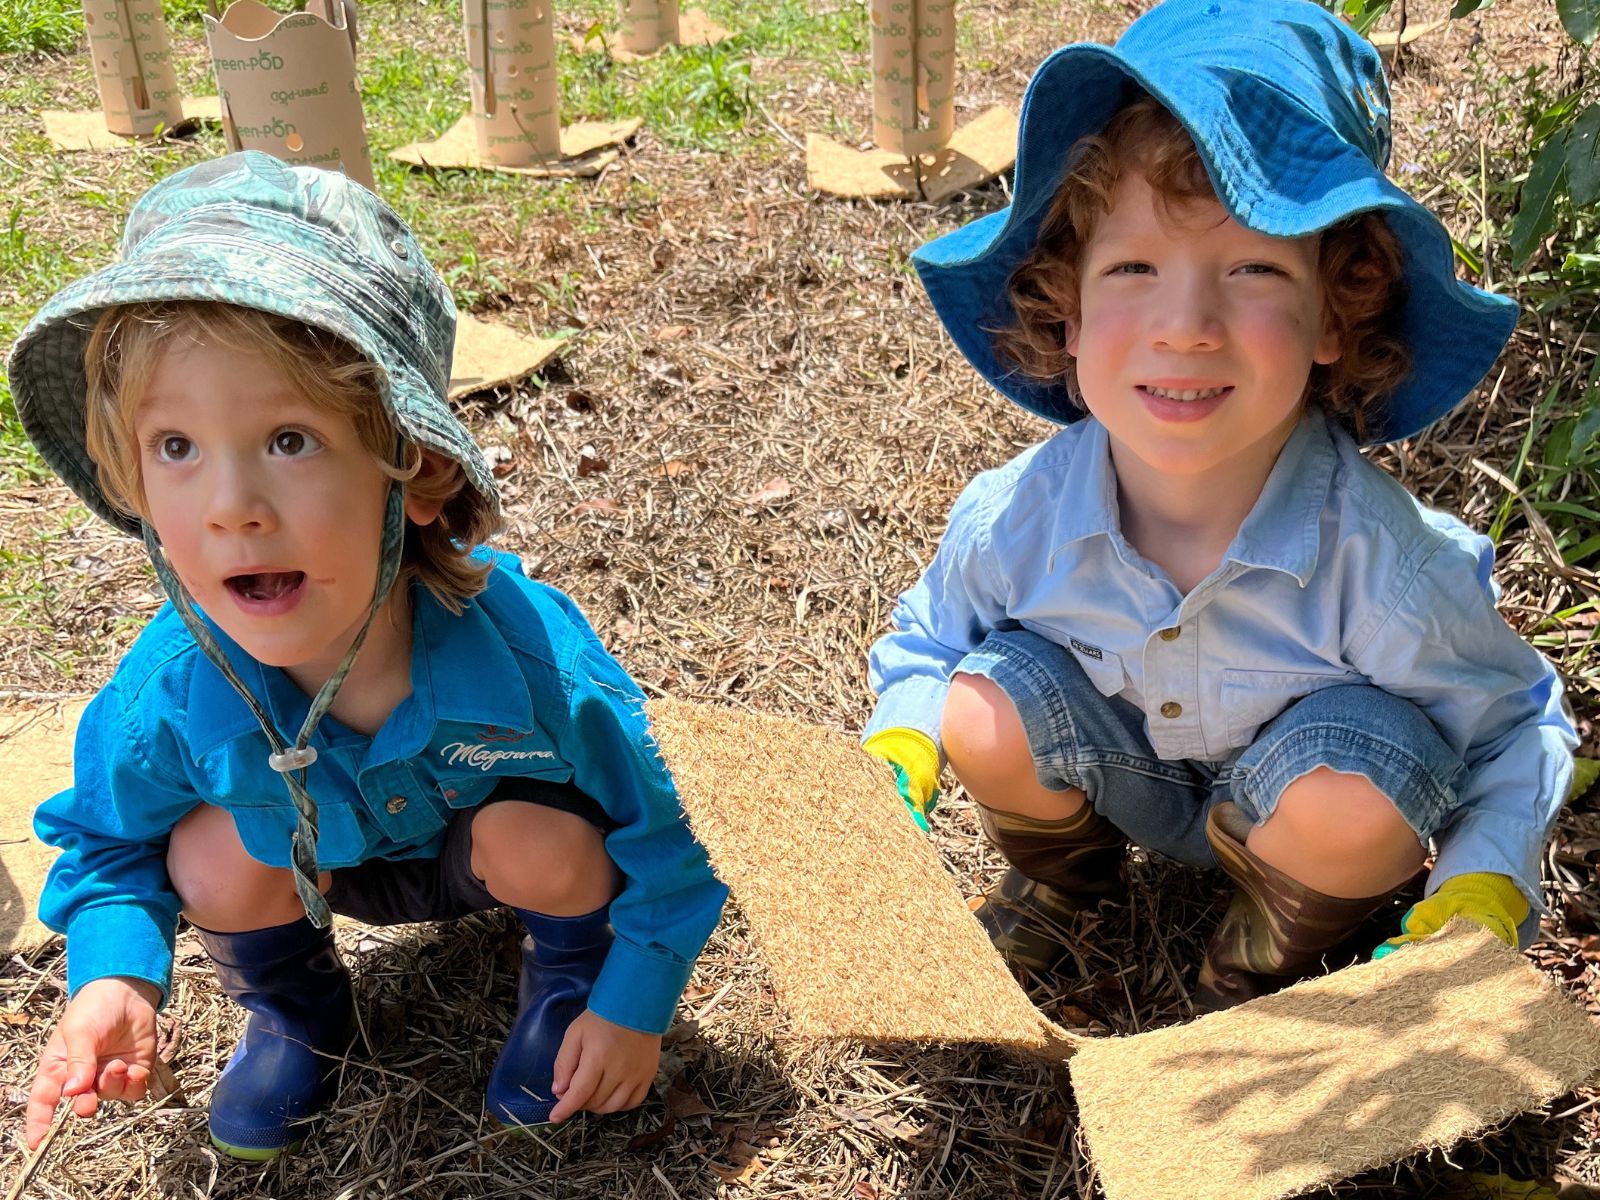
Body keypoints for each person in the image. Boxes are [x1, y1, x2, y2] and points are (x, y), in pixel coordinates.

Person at [10, 151, 727, 1160]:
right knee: (205, 848)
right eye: (176, 447)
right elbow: (109, 843)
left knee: (547, 840)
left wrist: (633, 999)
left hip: (480, 847)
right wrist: (115, 977)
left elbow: (677, 828)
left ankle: (564, 985)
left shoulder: (532, 669)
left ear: (417, 476)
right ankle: (297, 1013)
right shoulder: (172, 690)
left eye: (291, 439)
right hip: (313, 866)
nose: (231, 507)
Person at [863, 0, 1574, 1015]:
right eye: (1134, 268)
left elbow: (1516, 727)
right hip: (1121, 768)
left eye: (1251, 270)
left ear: (1335, 313)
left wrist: (1480, 882)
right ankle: (1067, 881)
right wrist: (904, 736)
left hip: (1307, 795)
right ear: (1066, 309)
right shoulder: (1017, 516)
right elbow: (928, 643)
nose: (1185, 327)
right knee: (978, 703)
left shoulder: (1384, 564)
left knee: (1354, 797)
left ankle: (1267, 952)